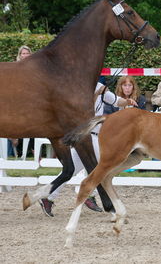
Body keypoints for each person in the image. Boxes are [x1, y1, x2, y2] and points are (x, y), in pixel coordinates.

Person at [38, 77, 134, 217]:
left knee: (73, 170)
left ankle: (49, 196)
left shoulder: (99, 86)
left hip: (94, 136)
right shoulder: (77, 88)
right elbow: (83, 112)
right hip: (86, 135)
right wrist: (97, 94)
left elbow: (116, 100)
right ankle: (103, 202)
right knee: (102, 169)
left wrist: (127, 101)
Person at [8, 46, 33, 157]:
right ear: (19, 55)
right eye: (23, 53)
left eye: (27, 53)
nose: (25, 55)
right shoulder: (14, 67)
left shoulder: (34, 68)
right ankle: (14, 140)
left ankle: (31, 150)